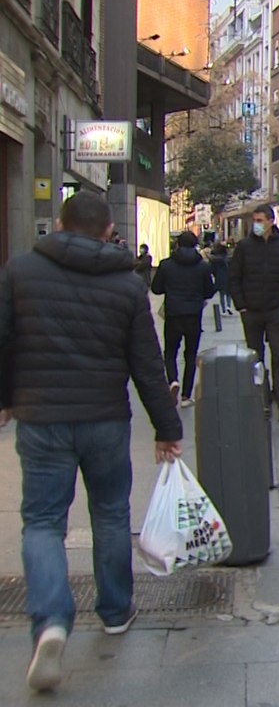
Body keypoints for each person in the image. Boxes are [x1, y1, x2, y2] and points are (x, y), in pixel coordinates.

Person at [0, 193, 182, 692]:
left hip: (41, 418)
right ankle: (116, 610)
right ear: (107, 232)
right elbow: (147, 364)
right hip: (105, 417)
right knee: (109, 512)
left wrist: (5, 399)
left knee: (41, 521)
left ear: (59, 225)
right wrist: (167, 428)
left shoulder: (19, 273)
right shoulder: (126, 285)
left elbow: (3, 339)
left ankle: (52, 622)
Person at [229, 204, 279, 424]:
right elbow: (234, 277)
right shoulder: (244, 247)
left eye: (260, 220)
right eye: (255, 220)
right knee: (256, 359)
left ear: (271, 221)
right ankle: (262, 400)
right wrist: (241, 305)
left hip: (276, 311)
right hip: (251, 310)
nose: (257, 225)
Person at [150, 231, 216, 408]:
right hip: (193, 315)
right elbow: (210, 291)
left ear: (177, 244)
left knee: (170, 352)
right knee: (190, 354)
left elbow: (156, 289)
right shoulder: (202, 266)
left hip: (173, 314)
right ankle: (186, 396)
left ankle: (173, 380)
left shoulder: (166, 265)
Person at [209, 242, 233, 315]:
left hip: (219, 278)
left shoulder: (215, 260)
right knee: (229, 294)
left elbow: (212, 270)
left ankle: (223, 310)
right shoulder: (229, 259)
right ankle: (229, 306)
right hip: (229, 277)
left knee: (222, 294)